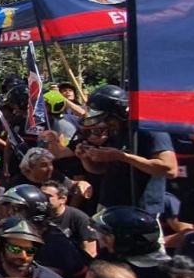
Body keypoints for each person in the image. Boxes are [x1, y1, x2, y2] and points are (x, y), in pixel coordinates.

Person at [75, 85, 176, 217]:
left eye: (108, 118)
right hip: (110, 204)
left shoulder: (149, 129)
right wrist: (86, 158)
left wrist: (123, 156)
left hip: (139, 208)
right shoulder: (116, 132)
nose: (105, 123)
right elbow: (101, 170)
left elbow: (169, 170)